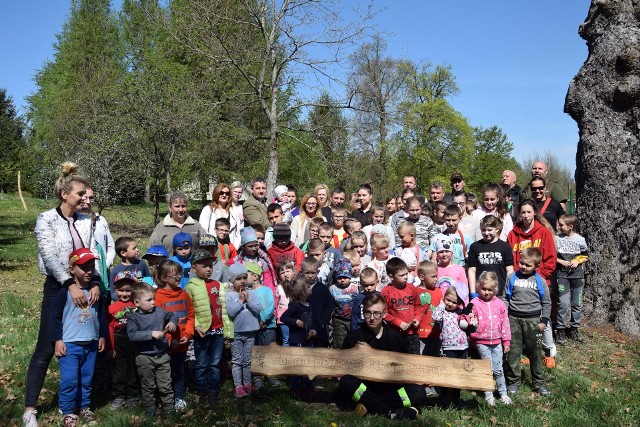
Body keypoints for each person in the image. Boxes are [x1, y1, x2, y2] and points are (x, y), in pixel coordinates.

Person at [25, 162, 99, 427]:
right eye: (80, 194)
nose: (85, 198)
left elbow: (93, 254)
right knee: (46, 345)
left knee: (87, 340)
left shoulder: (85, 221)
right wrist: (70, 285)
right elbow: (49, 256)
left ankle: (84, 401)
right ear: (64, 194)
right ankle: (30, 408)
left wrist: (96, 281)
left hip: (85, 285)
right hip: (59, 288)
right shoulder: (46, 219)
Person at [335, 294, 425, 420]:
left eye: (377, 313)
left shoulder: (395, 338)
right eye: (368, 313)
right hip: (364, 388)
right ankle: (391, 412)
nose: (372, 318)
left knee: (418, 392)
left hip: (390, 389)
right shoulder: (353, 337)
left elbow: (406, 366)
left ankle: (369, 406)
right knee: (347, 382)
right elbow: (342, 364)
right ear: (363, 312)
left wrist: (415, 378)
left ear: (384, 314)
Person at [51, 248, 107, 427]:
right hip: (69, 345)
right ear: (72, 269)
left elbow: (101, 316)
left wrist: (102, 336)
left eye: (91, 266)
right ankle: (67, 411)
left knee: (86, 377)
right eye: (84, 267)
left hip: (90, 343)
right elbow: (54, 318)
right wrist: (57, 340)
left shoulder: (96, 292)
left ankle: (84, 407)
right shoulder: (64, 293)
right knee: (70, 379)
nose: (89, 271)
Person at [502, 248, 552, 397]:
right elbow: (505, 298)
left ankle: (539, 383)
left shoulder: (540, 281)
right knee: (513, 353)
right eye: (521, 263)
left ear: (536, 266)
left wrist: (543, 322)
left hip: (533, 321)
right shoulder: (511, 278)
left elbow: (547, 303)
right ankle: (513, 382)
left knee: (535, 353)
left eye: (528, 265)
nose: (523, 267)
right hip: (513, 320)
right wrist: (504, 317)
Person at [127, 282, 178, 417]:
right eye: (149, 300)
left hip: (162, 355)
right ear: (137, 302)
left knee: (166, 385)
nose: (153, 302)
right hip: (144, 357)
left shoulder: (159, 311)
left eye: (153, 299)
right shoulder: (133, 318)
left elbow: (172, 315)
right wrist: (151, 334)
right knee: (148, 386)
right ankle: (150, 410)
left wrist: (173, 322)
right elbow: (132, 335)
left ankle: (169, 409)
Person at [153, 259, 195, 411]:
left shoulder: (184, 295)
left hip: (182, 343)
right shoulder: (158, 297)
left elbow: (190, 316)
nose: (178, 277)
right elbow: (158, 323)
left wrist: (188, 334)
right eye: (174, 275)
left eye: (180, 274)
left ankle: (179, 398)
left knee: (179, 371)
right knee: (164, 373)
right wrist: (169, 340)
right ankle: (164, 399)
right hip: (165, 345)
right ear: (164, 278)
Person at [184, 249, 225, 403]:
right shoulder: (190, 287)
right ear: (194, 268)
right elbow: (188, 310)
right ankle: (201, 390)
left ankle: (213, 390)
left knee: (215, 363)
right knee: (201, 363)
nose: (208, 269)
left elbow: (223, 307)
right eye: (204, 266)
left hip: (218, 329)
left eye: (210, 266)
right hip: (202, 331)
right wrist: (195, 326)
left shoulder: (217, 284)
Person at [469, 271, 512, 406]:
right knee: (487, 369)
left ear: (495, 289)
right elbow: (469, 320)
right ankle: (489, 395)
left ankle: (503, 393)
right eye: (483, 289)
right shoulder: (474, 303)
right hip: (482, 341)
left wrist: (506, 341)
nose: (486, 292)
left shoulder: (499, 304)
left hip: (497, 341)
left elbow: (505, 323)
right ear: (478, 286)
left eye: (490, 290)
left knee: (498, 369)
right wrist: (473, 334)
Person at [432, 287, 476, 409]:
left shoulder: (460, 312)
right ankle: (444, 398)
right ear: (444, 298)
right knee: (448, 373)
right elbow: (435, 317)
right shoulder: (442, 312)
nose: (450, 304)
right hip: (448, 347)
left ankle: (456, 398)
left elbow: (467, 324)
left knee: (459, 374)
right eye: (448, 300)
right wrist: (441, 305)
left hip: (463, 347)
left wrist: (471, 320)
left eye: (454, 302)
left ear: (459, 303)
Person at [226, 263, 262, 397]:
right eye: (238, 279)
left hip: (251, 332)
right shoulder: (229, 295)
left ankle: (247, 383)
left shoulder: (252, 293)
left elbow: (258, 309)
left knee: (247, 361)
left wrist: (248, 300)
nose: (242, 281)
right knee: (237, 361)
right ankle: (238, 386)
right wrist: (241, 301)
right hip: (236, 333)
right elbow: (231, 313)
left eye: (244, 278)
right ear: (232, 281)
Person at [281, 277, 318, 399]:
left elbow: (310, 320)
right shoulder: (295, 306)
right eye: (307, 286)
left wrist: (313, 330)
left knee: (309, 364)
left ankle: (308, 387)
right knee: (297, 365)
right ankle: (296, 388)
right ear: (302, 292)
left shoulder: (310, 304)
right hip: (297, 341)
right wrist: (295, 321)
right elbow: (283, 318)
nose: (310, 287)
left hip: (308, 341)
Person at [555, 214, 589, 344]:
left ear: (570, 226)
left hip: (577, 276)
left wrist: (577, 261)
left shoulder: (580, 239)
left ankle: (574, 329)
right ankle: (561, 330)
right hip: (562, 275)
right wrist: (561, 261)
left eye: (561, 224)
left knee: (577, 303)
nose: (559, 226)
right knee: (563, 303)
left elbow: (585, 255)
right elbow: (552, 255)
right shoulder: (557, 238)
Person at [107, 271, 139, 409]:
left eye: (128, 290)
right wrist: (111, 347)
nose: (125, 294)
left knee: (133, 368)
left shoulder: (138, 306)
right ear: (115, 290)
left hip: (134, 340)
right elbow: (110, 328)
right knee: (118, 370)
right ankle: (119, 396)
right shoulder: (112, 308)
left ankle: (133, 395)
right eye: (121, 291)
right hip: (119, 340)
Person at [80, 186, 115, 297]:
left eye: (91, 198)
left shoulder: (101, 220)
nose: (88, 202)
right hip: (83, 273)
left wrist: (105, 264)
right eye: (85, 198)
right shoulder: (73, 221)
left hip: (103, 271)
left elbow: (110, 246)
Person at [467, 215, 514, 299]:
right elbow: (471, 270)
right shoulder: (475, 246)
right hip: (481, 292)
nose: (486, 233)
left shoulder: (505, 246)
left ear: (497, 229)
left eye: (489, 230)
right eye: (483, 230)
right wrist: (472, 292)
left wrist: (509, 289)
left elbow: (509, 270)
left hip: (500, 292)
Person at [381, 258, 422, 354]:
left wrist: (417, 318)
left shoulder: (411, 288)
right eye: (402, 275)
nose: (406, 277)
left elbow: (418, 305)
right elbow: (384, 313)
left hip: (413, 333)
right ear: (391, 277)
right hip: (396, 333)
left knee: (414, 360)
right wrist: (398, 322)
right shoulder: (386, 292)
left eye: (407, 273)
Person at [148, 191, 206, 257]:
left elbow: (206, 248)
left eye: (183, 206)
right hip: (168, 266)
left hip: (192, 266)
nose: (181, 210)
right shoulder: (161, 227)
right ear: (170, 208)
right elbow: (152, 251)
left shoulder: (196, 225)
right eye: (177, 206)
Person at [109, 236, 151, 301]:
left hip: (141, 300)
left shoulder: (142, 264)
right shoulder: (116, 270)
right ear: (123, 253)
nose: (137, 250)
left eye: (137, 247)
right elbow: (112, 292)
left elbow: (149, 280)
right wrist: (123, 300)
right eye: (134, 248)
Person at [330, 259, 359, 349]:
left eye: (345, 277)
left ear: (350, 276)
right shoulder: (332, 288)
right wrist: (330, 318)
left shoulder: (355, 288)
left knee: (353, 340)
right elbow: (330, 305)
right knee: (339, 341)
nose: (342, 280)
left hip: (352, 319)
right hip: (338, 319)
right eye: (339, 277)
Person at [415, 261, 443, 358]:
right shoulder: (415, 291)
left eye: (436, 276)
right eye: (433, 277)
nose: (436, 279)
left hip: (436, 332)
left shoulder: (438, 291)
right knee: (422, 359)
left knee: (434, 359)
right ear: (422, 277)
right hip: (420, 333)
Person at [275, 261, 295, 346]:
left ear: (293, 272)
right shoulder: (278, 288)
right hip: (283, 317)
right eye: (282, 272)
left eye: (288, 271)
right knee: (286, 340)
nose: (286, 274)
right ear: (279, 275)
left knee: (295, 339)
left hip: (294, 316)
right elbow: (276, 303)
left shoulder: (297, 286)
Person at [229, 181, 246, 248]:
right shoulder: (226, 207)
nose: (237, 194)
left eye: (239, 192)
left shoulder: (241, 207)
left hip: (238, 242)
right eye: (235, 192)